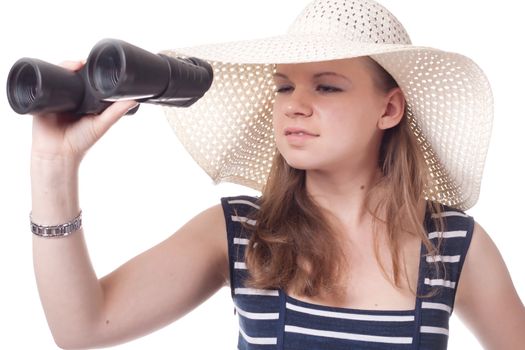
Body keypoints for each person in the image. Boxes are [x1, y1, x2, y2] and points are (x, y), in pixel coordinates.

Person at [29, 0, 524, 349]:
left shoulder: (452, 245)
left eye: (327, 88)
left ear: (389, 108)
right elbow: (83, 328)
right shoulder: (242, 234)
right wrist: (56, 166)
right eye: (285, 86)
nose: (295, 106)